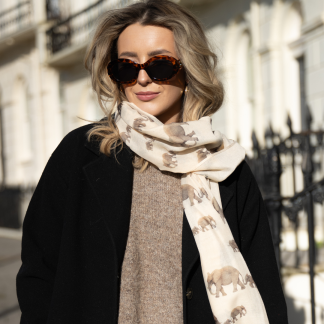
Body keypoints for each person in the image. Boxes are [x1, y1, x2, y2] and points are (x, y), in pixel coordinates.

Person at [16, 1, 288, 323]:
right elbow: (39, 271)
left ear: (188, 69)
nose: (142, 79)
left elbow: (263, 281)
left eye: (159, 65)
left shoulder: (224, 166)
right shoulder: (83, 153)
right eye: (127, 67)